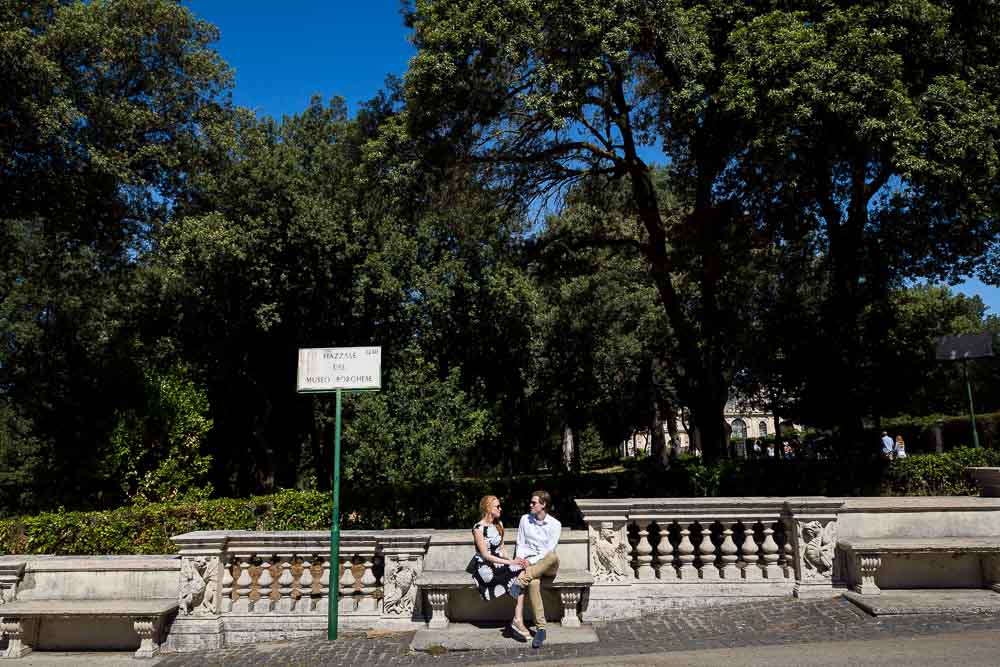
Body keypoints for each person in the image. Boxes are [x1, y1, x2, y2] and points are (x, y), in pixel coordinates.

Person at [509, 490, 561, 649]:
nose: (530, 505)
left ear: (543, 504)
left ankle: (520, 581)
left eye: (534, 503)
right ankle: (541, 629)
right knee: (533, 583)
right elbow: (521, 543)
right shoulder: (525, 519)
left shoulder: (555, 524)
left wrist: (529, 563)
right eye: (531, 502)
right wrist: (522, 561)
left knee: (552, 556)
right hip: (530, 565)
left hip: (547, 564)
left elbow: (547, 551)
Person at [469, 496, 522, 603]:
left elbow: (502, 548)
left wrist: (513, 562)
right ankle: (514, 599)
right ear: (488, 508)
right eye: (497, 506)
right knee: (515, 571)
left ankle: (517, 608)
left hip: (500, 561)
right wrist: (509, 562)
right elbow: (485, 555)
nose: (500, 509)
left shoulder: (499, 524)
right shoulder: (478, 528)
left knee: (520, 568)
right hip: (486, 564)